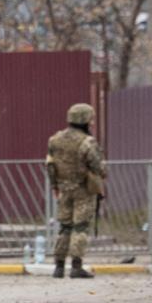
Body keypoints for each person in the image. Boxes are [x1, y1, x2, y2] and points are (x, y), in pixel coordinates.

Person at [46, 102, 106, 279]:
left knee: (64, 227)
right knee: (80, 227)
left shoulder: (54, 139)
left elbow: (50, 165)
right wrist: (102, 172)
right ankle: (76, 266)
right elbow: (97, 166)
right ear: (85, 120)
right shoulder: (87, 142)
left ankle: (58, 267)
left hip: (63, 189)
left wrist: (54, 186)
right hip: (83, 189)